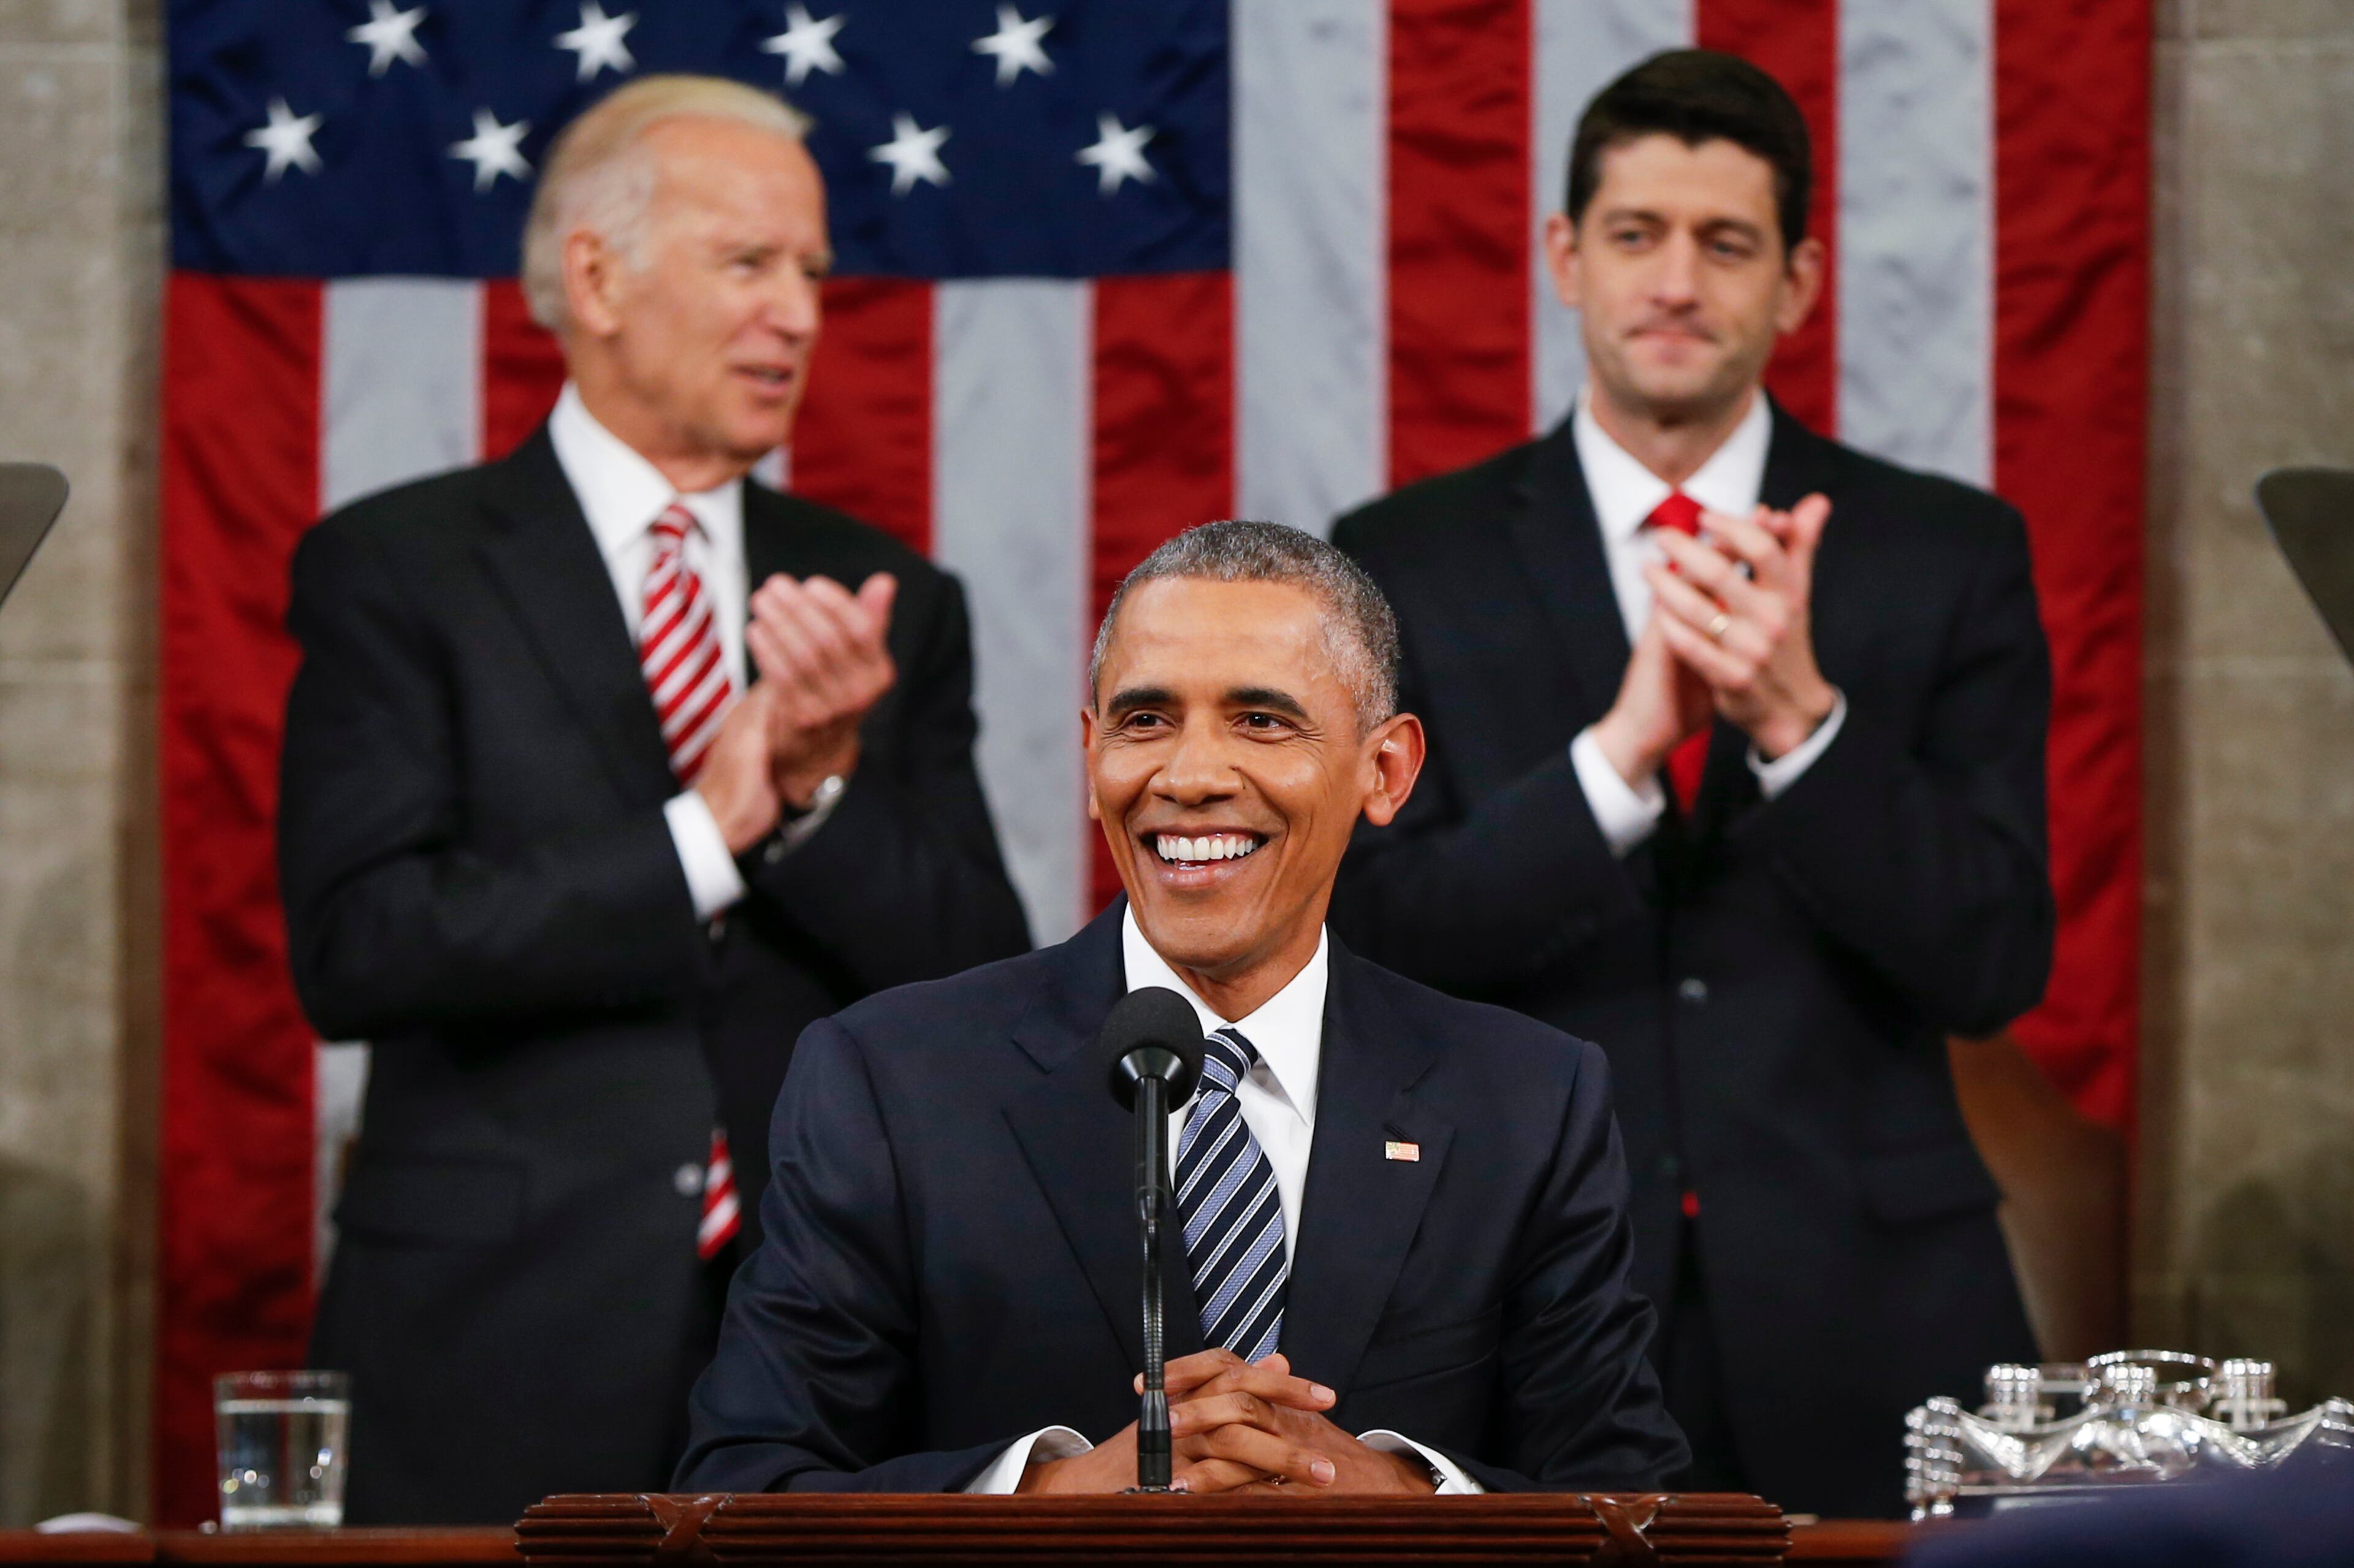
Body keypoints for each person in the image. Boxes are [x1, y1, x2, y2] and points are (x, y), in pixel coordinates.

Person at [276, 76, 1030, 1523]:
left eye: (812, 271)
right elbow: (361, 943)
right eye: (749, 264)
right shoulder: (402, 568)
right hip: (494, 1334)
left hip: (826, 1328)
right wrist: (709, 828)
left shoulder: (889, 598)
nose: (800, 315)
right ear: (597, 277)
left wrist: (815, 795)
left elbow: (977, 965)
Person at [1328, 50, 2051, 1518]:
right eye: (1636, 235)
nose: (1676, 280)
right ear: (1564, 259)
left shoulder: (1945, 551)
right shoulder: (1405, 556)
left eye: (1726, 244)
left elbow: (1995, 957)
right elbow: (1377, 938)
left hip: (1879, 1310)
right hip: (1511, 1303)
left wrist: (1800, 723)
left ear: (1796, 282)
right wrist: (1619, 760)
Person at [677, 521, 1688, 1494]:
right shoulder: (888, 1081)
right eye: (1146, 719)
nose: (1191, 775)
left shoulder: (1527, 1099)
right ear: (1091, 758)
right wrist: (1049, 1493)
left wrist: (1407, 1494)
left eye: (1261, 720)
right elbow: (748, 1484)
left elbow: (1624, 1500)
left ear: (1385, 771)